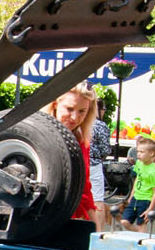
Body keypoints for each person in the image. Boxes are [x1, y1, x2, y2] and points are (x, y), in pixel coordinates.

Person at [46, 84, 99, 223]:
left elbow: (85, 188)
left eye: (82, 111)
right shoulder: (32, 133)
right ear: (55, 104)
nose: (75, 117)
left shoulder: (81, 141)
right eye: (69, 109)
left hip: (69, 218)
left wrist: (95, 227)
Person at [119, 135, 155, 231]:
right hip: (135, 198)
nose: (138, 154)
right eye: (138, 151)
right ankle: (137, 234)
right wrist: (131, 196)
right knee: (124, 221)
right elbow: (137, 179)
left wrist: (150, 208)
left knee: (141, 225)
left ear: (151, 153)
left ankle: (141, 238)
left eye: (142, 152)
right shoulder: (139, 163)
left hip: (145, 200)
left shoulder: (153, 171)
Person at [89, 99, 112, 229]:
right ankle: (98, 230)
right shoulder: (100, 126)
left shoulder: (80, 123)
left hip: (78, 164)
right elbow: (105, 149)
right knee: (97, 199)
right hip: (94, 164)